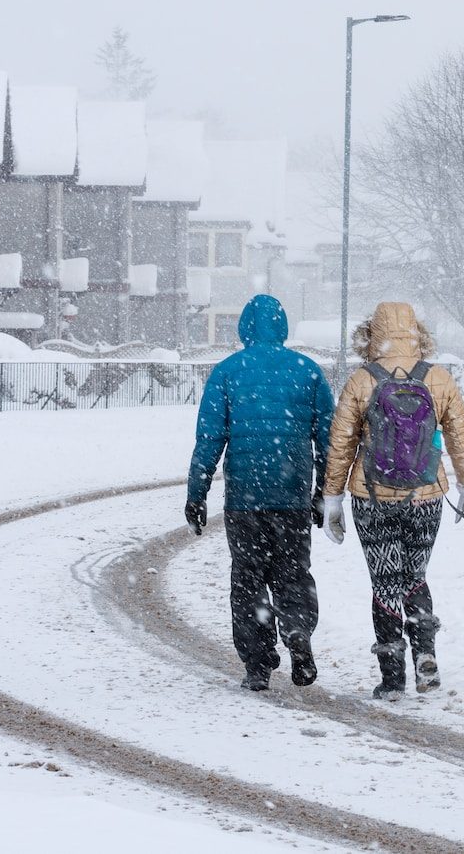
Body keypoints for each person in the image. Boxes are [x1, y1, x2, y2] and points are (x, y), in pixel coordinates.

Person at [319, 301, 464, 700]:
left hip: (372, 498)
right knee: (415, 576)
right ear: (418, 332)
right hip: (427, 496)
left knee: (385, 583)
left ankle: (392, 679)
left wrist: (332, 498)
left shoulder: (361, 380)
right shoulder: (438, 378)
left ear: (370, 334)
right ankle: (425, 656)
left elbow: (340, 444)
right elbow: (460, 439)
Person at [187, 294, 335, 692]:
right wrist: (324, 491)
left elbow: (210, 439)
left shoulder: (228, 372)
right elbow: (329, 439)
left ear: (244, 328)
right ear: (283, 326)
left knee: (248, 579)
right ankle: (298, 634)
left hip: (244, 498)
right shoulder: (308, 372)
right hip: (292, 495)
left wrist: (196, 493)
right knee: (292, 573)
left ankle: (257, 662)